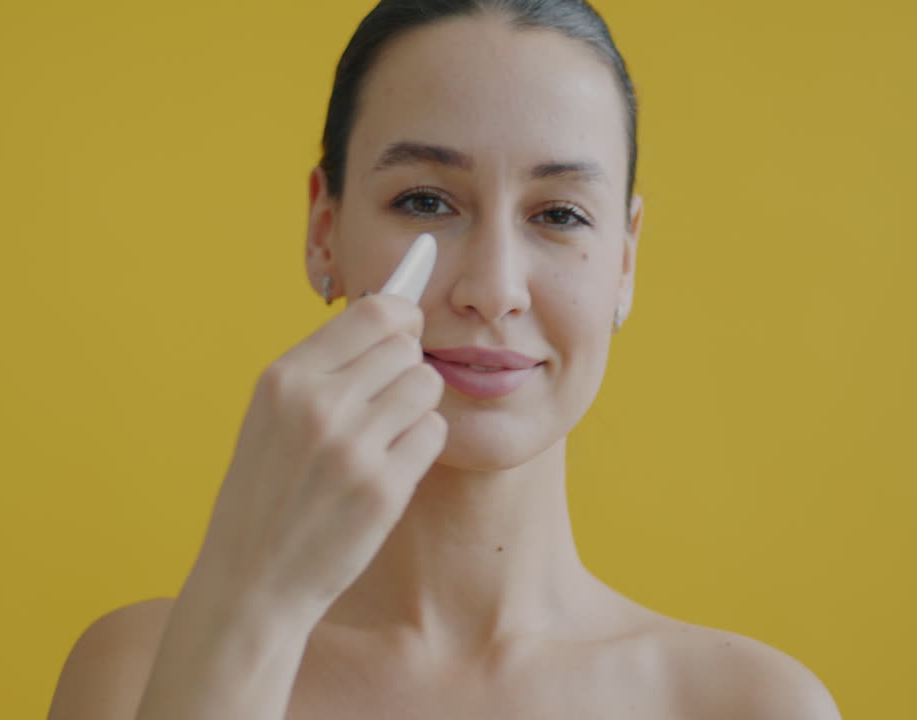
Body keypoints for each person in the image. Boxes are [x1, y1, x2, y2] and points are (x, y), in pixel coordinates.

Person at [48, 1, 842, 718]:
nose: (493, 290)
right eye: (425, 202)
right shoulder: (136, 674)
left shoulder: (752, 705)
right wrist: (251, 608)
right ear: (325, 231)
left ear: (625, 262)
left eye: (559, 214)